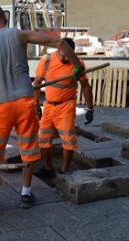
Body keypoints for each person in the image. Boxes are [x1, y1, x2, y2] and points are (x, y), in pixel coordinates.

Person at [0, 4, 84, 209]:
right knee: (28, 150)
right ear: (4, 19)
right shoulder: (20, 35)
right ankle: (26, 194)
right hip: (25, 101)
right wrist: (76, 64)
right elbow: (58, 41)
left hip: (0, 105)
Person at [33, 38, 94, 177]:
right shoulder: (46, 60)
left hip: (66, 105)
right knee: (43, 138)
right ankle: (48, 168)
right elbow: (37, 83)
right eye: (63, 55)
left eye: (69, 55)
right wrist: (36, 103)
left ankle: (64, 170)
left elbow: (85, 86)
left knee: (68, 139)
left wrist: (90, 109)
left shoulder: (77, 64)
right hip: (48, 105)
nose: (66, 58)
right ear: (58, 50)